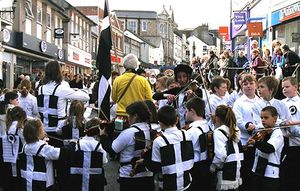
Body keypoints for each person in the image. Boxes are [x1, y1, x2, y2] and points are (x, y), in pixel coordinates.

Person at [101, 101, 155, 191]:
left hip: (129, 176)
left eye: (129, 115)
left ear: (135, 116)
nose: (128, 118)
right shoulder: (151, 130)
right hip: (148, 175)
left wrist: (103, 136)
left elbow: (112, 149)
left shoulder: (129, 133)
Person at [37, 60, 89, 146]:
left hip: (44, 130)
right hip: (58, 130)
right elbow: (86, 97)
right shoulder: (61, 89)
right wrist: (74, 90)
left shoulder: (40, 88)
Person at [145, 105, 194, 191]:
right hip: (186, 182)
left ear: (160, 123)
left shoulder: (159, 141)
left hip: (167, 185)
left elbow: (155, 167)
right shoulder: (186, 134)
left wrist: (145, 160)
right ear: (177, 119)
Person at [19, 118, 75, 191]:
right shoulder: (43, 148)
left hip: (27, 180)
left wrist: (42, 140)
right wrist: (72, 144)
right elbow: (62, 153)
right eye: (42, 129)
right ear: (38, 132)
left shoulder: (25, 145)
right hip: (43, 184)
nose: (44, 131)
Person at [232, 74, 261, 191]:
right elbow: (237, 120)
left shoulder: (260, 101)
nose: (248, 86)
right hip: (245, 142)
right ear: (241, 86)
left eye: (251, 83)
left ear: (256, 85)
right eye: (245, 84)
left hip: (259, 139)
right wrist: (247, 125)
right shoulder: (239, 102)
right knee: (246, 171)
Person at [111, 53, 152, 130]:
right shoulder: (143, 81)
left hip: (121, 117)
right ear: (136, 65)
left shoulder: (117, 80)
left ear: (124, 65)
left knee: (120, 139)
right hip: (137, 117)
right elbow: (149, 100)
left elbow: (114, 99)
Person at [66, 117, 108, 191]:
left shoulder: (78, 144)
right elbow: (104, 160)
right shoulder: (98, 145)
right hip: (94, 180)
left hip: (78, 178)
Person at [247, 106, 284, 191]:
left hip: (270, 173)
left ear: (274, 119)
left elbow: (269, 148)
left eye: (266, 117)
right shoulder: (263, 130)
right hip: (257, 169)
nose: (263, 120)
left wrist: (255, 143)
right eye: (261, 118)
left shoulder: (277, 133)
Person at [210, 105, 244, 191]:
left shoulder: (219, 132)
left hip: (225, 173)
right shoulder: (235, 129)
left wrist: (213, 167)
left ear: (217, 118)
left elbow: (221, 155)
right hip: (236, 170)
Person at [185, 97, 211, 191]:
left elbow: (186, 151)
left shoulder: (191, 132)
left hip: (195, 168)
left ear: (192, 111)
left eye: (186, 111)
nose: (185, 114)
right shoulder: (207, 125)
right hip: (206, 165)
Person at [280, 76, 300, 191]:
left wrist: (293, 129)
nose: (284, 90)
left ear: (296, 87)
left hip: (297, 143)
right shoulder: (281, 103)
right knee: (286, 172)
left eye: (287, 87)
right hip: (284, 142)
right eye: (283, 88)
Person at [2, 106, 27, 191]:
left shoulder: (8, 127)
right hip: (20, 157)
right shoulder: (20, 129)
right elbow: (26, 142)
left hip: (9, 157)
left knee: (13, 178)